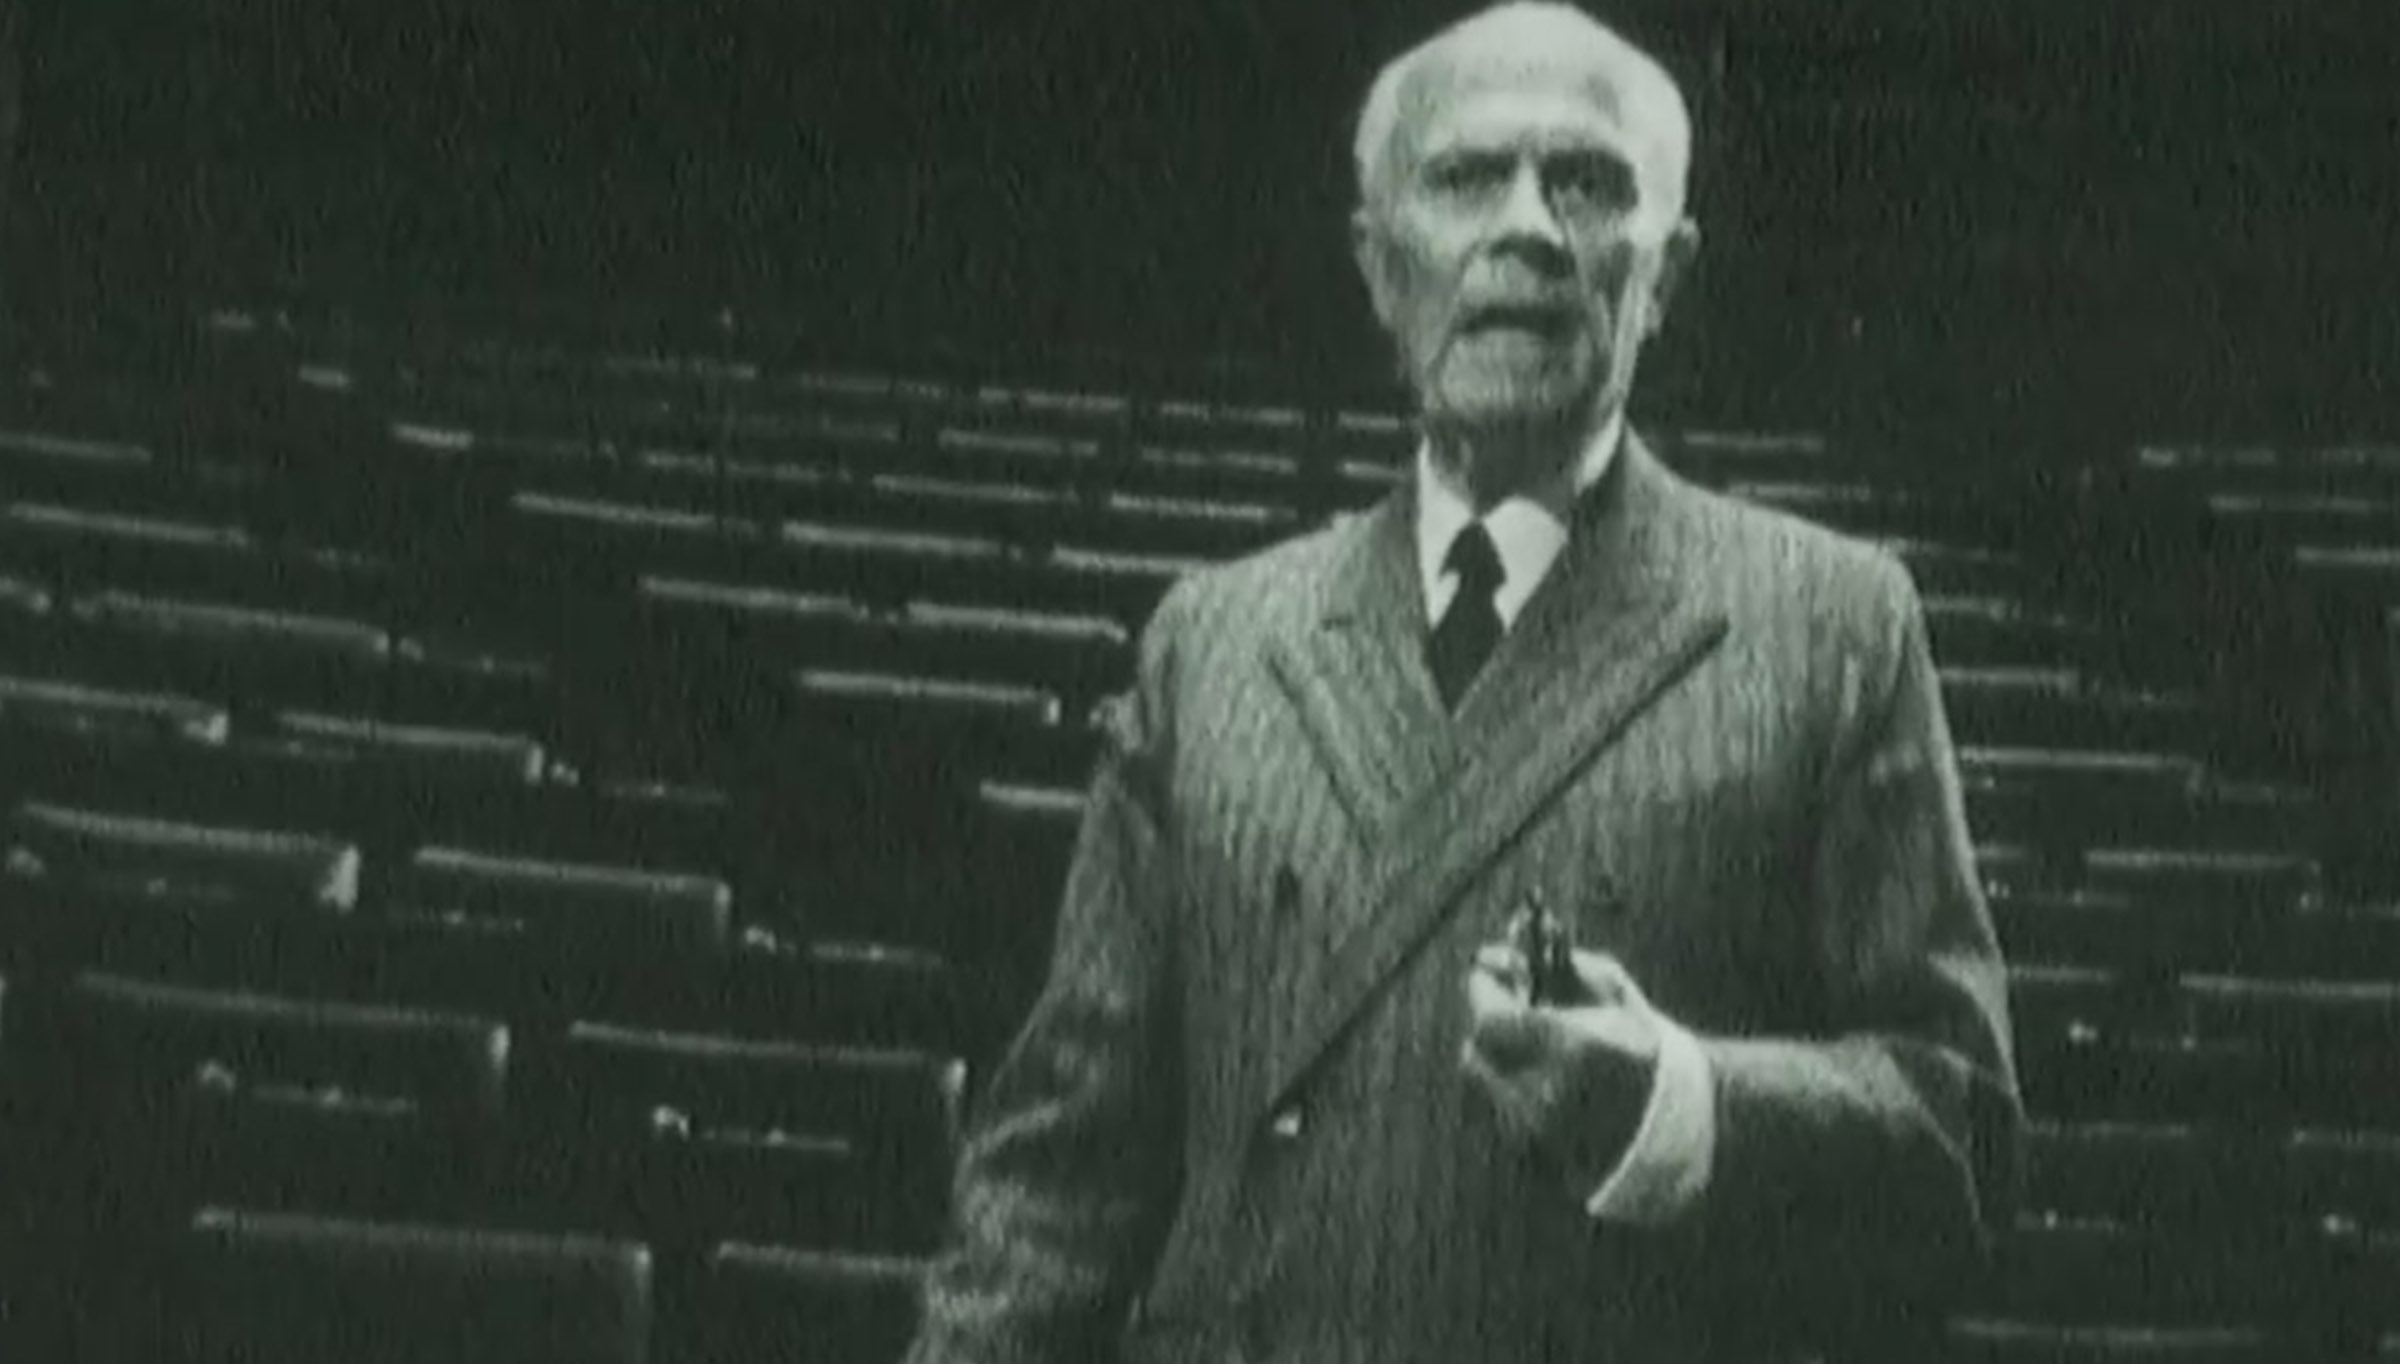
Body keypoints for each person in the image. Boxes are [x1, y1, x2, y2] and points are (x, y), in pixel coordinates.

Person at [903, 4, 2023, 1361]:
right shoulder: (1214, 644)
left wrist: (1679, 1108)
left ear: (1665, 273)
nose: (1528, 228)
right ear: (1382, 267)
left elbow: (1960, 1143)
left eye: (1587, 183)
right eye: (1467, 178)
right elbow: (1055, 1186)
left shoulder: (1830, 624)